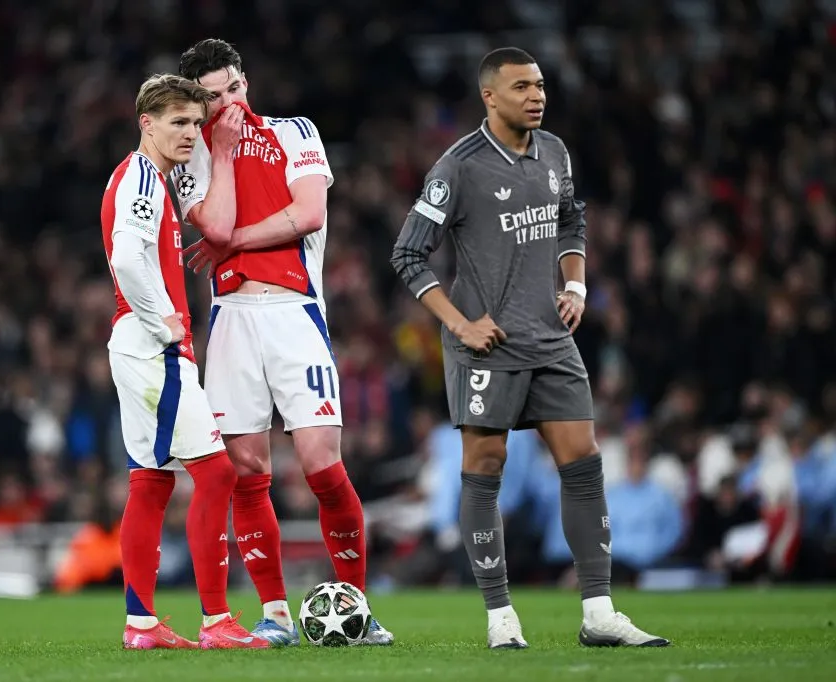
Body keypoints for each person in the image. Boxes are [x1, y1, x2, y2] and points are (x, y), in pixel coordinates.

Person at [390, 47, 669, 649]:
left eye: (540, 85)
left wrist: (575, 282)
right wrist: (460, 325)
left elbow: (572, 221)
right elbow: (407, 253)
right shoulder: (458, 166)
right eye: (522, 87)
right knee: (484, 468)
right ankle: (500, 616)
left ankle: (598, 611)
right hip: (487, 346)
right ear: (490, 96)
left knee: (584, 460)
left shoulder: (555, 152)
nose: (537, 96)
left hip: (551, 337)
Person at [172, 38, 393, 646]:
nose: (229, 103)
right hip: (231, 321)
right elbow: (208, 227)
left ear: (247, 80)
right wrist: (217, 151)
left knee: (323, 464)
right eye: (212, 97)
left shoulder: (296, 131)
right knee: (247, 474)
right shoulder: (192, 156)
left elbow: (309, 213)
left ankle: (359, 605)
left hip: (295, 315)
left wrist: (233, 241)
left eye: (234, 88)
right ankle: (274, 614)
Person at [101, 73, 268, 650]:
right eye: (178, 122)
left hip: (135, 345)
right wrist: (162, 321)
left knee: (149, 481)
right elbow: (126, 257)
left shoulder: (142, 178)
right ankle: (216, 620)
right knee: (217, 472)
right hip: (152, 348)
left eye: (196, 123)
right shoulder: (143, 179)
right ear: (145, 123)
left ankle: (142, 624)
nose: (190, 133)